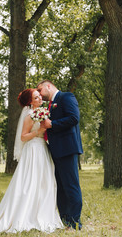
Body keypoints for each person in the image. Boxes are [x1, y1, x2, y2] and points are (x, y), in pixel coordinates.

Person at [0, 88, 63, 235]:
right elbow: (23, 137)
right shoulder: (30, 115)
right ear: (30, 102)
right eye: (36, 98)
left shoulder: (43, 112)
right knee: (30, 183)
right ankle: (26, 215)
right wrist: (38, 132)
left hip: (43, 149)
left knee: (45, 182)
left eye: (39, 96)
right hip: (34, 150)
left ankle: (43, 212)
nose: (40, 99)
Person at [37, 80, 83, 230]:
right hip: (55, 150)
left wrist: (53, 124)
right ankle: (64, 219)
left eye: (40, 90)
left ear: (48, 86)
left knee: (70, 186)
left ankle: (75, 222)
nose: (39, 94)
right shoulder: (50, 104)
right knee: (60, 187)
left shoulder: (66, 97)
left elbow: (73, 118)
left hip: (67, 149)